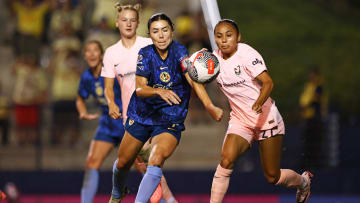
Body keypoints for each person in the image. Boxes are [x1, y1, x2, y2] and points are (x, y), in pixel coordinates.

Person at [104, 13, 223, 203]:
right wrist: (159, 91)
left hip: (170, 119)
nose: (161, 35)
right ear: (150, 35)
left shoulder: (180, 53)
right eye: (156, 31)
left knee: (156, 158)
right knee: (123, 162)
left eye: (165, 30)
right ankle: (117, 194)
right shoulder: (145, 54)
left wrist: (209, 105)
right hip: (142, 114)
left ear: (172, 32)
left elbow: (193, 79)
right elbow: (140, 88)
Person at [209, 19, 313, 203]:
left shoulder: (247, 54)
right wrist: (209, 105)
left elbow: (268, 82)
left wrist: (258, 103)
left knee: (272, 176)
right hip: (241, 121)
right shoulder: (212, 60)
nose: (224, 40)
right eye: (219, 36)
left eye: (229, 35)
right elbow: (193, 78)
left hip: (266, 119)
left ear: (238, 37)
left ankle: (303, 182)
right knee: (226, 160)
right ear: (215, 40)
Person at [101, 4, 182, 203]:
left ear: (138, 23)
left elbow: (177, 55)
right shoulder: (111, 53)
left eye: (132, 20)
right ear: (116, 23)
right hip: (133, 115)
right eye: (124, 20)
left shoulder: (151, 42)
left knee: (152, 164)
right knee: (128, 164)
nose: (128, 24)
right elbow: (108, 87)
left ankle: (166, 201)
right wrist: (111, 103)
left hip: (158, 115)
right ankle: (119, 193)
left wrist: (199, 60)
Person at [78, 40, 164, 203]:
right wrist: (82, 111)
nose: (91, 54)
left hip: (127, 121)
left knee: (143, 166)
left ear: (102, 54)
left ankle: (164, 201)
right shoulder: (87, 77)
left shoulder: (113, 71)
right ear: (84, 55)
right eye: (88, 51)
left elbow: (132, 87)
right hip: (108, 124)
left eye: (95, 50)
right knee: (92, 162)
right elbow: (79, 98)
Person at [299, 67, 328, 169]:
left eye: (312, 74)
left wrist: (305, 106)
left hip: (315, 117)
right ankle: (308, 163)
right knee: (308, 141)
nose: (310, 76)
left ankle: (316, 164)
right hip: (308, 117)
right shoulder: (310, 86)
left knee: (314, 141)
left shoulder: (318, 86)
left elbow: (316, 101)